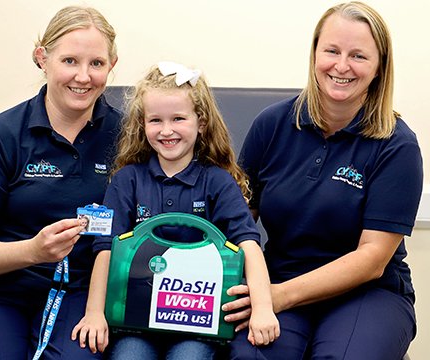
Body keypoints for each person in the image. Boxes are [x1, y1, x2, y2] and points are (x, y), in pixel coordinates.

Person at [223, 2, 423, 359]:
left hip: (368, 293)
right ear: (315, 53)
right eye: (332, 50)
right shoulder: (271, 125)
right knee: (246, 356)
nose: (341, 66)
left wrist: (280, 296)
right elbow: (237, 220)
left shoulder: (397, 145)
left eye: (359, 56)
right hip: (278, 278)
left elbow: (373, 258)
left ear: (379, 68)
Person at [0, 6, 121, 360]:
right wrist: (33, 251)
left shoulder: (127, 138)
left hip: (84, 295)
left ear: (112, 64)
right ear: (43, 58)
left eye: (96, 63)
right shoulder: (1, 135)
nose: (83, 76)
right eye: (69, 61)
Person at [70, 62, 280, 359]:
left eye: (178, 118)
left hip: (197, 325)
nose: (167, 131)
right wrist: (94, 313)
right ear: (142, 125)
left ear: (201, 122)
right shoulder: (127, 180)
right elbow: (105, 249)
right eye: (156, 120)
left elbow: (249, 244)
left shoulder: (218, 182)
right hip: (135, 322)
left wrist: (262, 308)